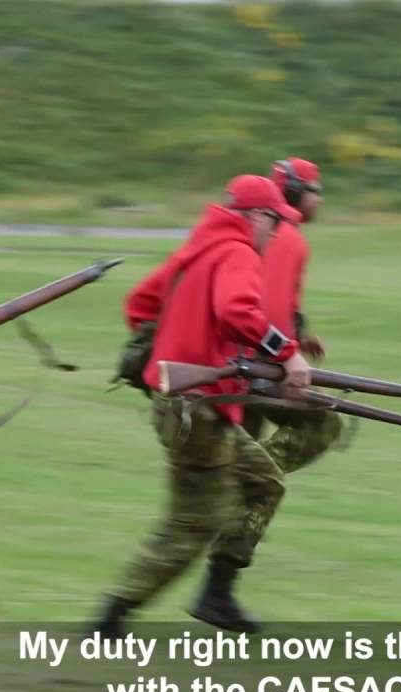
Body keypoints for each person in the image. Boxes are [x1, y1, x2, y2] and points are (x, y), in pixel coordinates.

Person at [92, 175, 313, 637]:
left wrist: (182, 346)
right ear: (255, 215)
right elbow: (237, 310)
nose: (275, 233)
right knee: (191, 524)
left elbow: (140, 304)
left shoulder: (197, 250)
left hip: (183, 404)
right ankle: (113, 618)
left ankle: (215, 594)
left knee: (263, 483)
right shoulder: (237, 252)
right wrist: (286, 352)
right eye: (273, 221)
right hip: (201, 411)